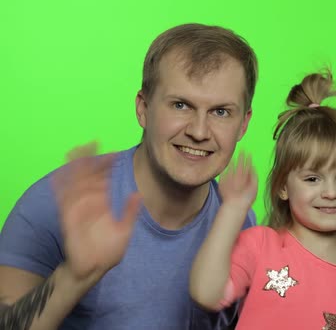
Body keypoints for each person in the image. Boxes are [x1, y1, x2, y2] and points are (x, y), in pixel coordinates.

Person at [0, 23, 258, 329]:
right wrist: (76, 276)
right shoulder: (56, 203)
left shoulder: (242, 225)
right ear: (143, 109)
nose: (199, 132)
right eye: (180, 105)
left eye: (220, 112)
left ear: (243, 124)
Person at [190, 70, 336, 329]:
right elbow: (205, 294)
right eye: (312, 179)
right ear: (283, 186)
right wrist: (233, 209)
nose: (331, 192)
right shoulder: (260, 246)